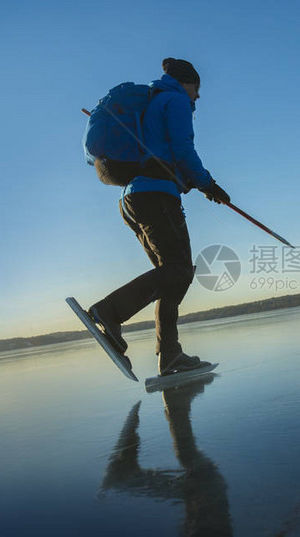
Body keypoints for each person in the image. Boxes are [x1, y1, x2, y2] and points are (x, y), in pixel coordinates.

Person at [88, 58, 230, 376]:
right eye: (197, 88)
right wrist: (209, 184)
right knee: (178, 271)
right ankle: (108, 312)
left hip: (133, 198)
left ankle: (170, 355)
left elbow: (162, 155)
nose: (198, 97)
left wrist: (184, 180)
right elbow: (183, 149)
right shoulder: (175, 100)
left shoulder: (153, 102)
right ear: (185, 83)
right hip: (155, 197)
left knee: (172, 276)